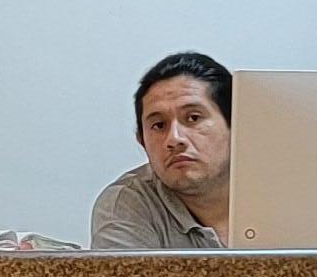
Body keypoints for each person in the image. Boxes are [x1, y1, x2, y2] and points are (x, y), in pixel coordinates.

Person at [89, 50, 231, 250]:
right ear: (142, 142)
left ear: (236, 126)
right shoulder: (128, 204)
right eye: (159, 125)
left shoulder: (275, 188)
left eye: (193, 118)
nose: (174, 139)